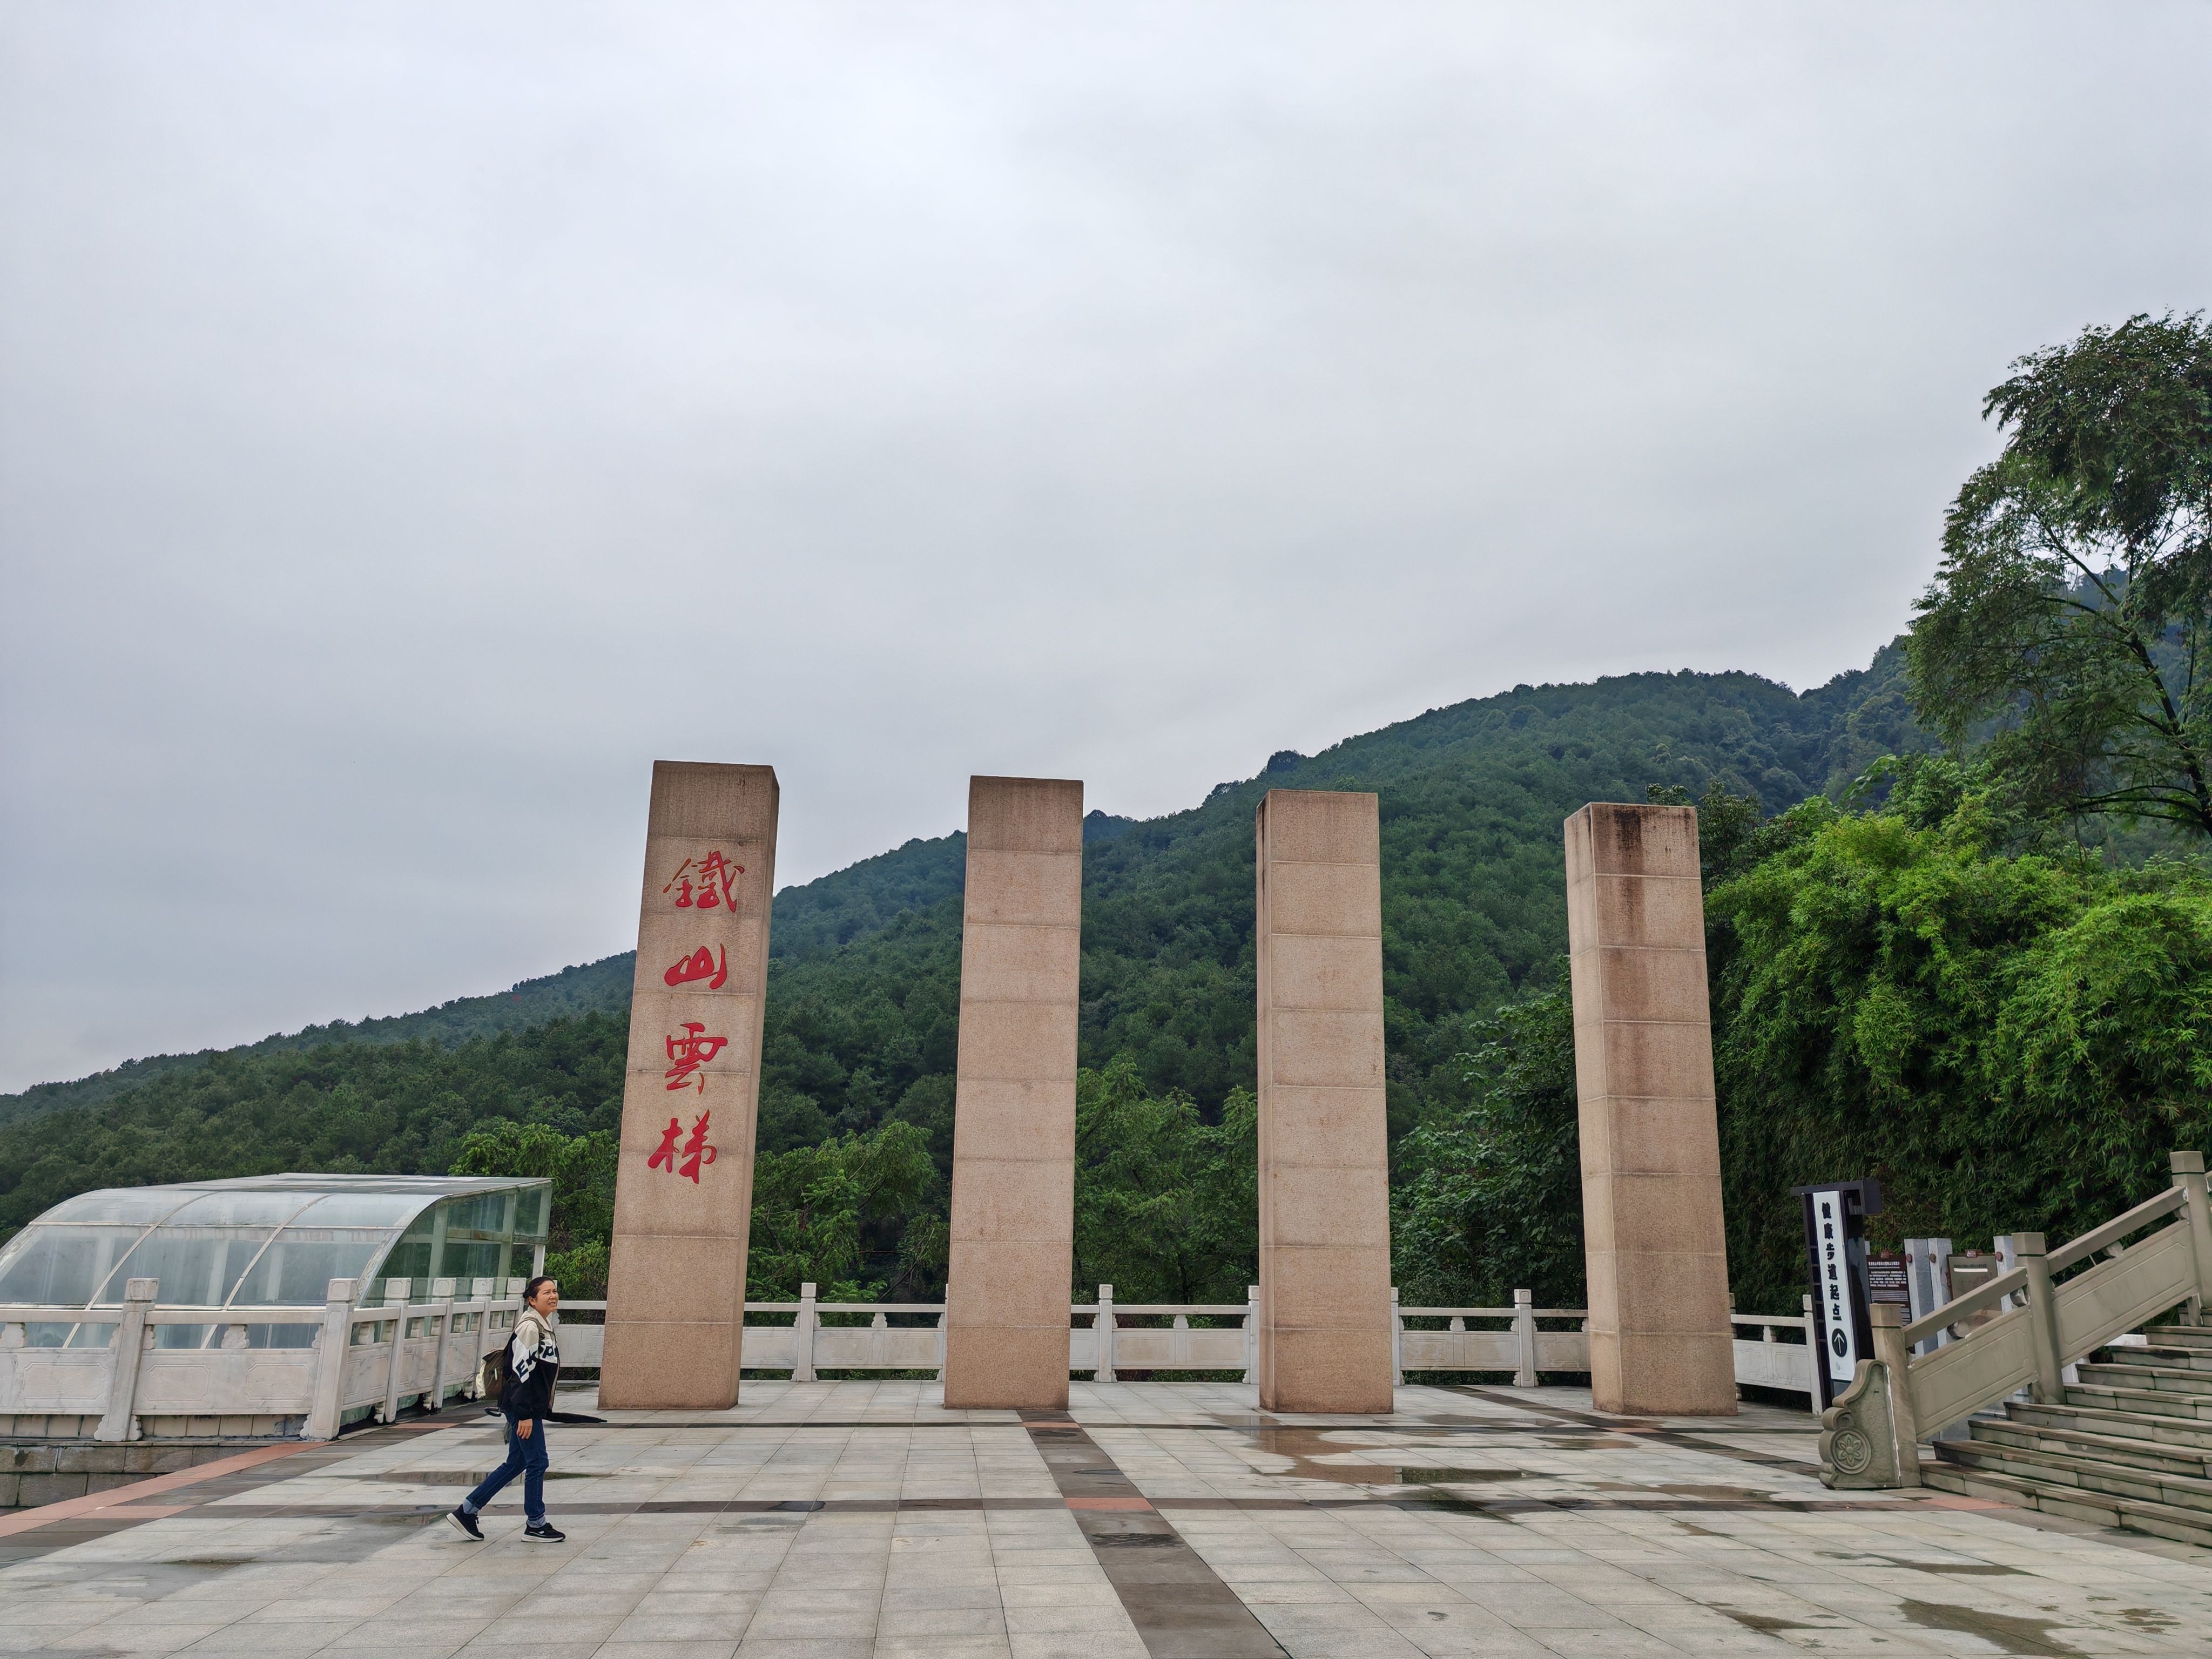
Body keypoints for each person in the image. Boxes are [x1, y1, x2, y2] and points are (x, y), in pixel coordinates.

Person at [448, 1274, 565, 1542]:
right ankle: (536, 1524)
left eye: (555, 1291)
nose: (553, 1296)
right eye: (546, 1292)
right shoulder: (530, 1328)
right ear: (532, 1300)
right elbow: (520, 1374)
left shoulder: (542, 1325)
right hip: (524, 1409)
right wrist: (525, 1415)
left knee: (517, 1463)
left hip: (526, 1408)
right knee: (538, 1462)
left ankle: (467, 1511)